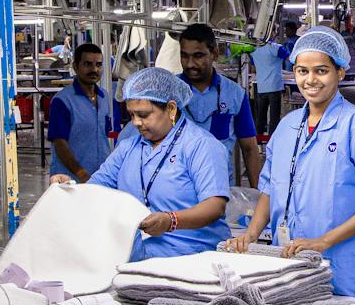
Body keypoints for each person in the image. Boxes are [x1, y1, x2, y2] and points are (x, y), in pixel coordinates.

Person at [227, 27, 355, 296]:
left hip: (345, 272)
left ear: (340, 72)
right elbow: (269, 191)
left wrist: (323, 241)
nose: (310, 80)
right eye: (302, 71)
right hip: (289, 268)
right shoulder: (286, 127)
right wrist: (251, 233)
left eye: (321, 70)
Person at [88, 67, 230, 259]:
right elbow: (95, 189)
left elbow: (214, 206)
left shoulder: (200, 145)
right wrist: (69, 188)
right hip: (141, 254)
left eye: (144, 115)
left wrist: (171, 220)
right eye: (131, 115)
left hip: (193, 255)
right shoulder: (129, 146)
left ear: (171, 109)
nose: (136, 122)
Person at [178, 23, 262, 187]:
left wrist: (258, 196)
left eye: (198, 56)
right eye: (184, 56)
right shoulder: (168, 93)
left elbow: (250, 149)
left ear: (214, 54)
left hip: (220, 190)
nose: (190, 64)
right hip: (178, 191)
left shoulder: (235, 95)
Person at [47, 43, 114, 182]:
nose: (94, 69)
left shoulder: (104, 97)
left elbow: (105, 136)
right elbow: (59, 143)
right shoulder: (63, 101)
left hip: (99, 178)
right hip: (69, 180)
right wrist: (81, 173)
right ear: (76, 66)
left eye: (99, 65)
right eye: (88, 64)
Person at [245, 26, 290, 137]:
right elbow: (291, 59)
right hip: (274, 87)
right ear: (270, 33)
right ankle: (272, 142)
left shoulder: (254, 50)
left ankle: (257, 144)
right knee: (274, 117)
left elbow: (255, 66)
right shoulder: (275, 48)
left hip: (261, 87)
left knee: (260, 117)